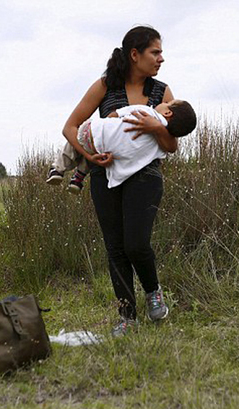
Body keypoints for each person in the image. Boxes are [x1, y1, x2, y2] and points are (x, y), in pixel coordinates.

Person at [61, 25, 181, 337]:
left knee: (136, 243)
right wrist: (89, 153)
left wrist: (155, 127)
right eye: (155, 52)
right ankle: (127, 317)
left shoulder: (162, 92)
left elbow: (172, 146)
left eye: (161, 53)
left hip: (146, 177)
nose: (161, 59)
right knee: (115, 247)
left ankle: (153, 291)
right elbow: (70, 127)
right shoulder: (105, 86)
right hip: (105, 175)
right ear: (134, 54)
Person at [46, 99, 196, 193]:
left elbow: (115, 115)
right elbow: (169, 148)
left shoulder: (146, 111)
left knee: (79, 142)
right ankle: (78, 178)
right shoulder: (159, 144)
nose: (163, 102)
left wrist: (108, 124)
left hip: (92, 130)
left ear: (168, 112)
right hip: (108, 154)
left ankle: (58, 169)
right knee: (99, 148)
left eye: (167, 103)